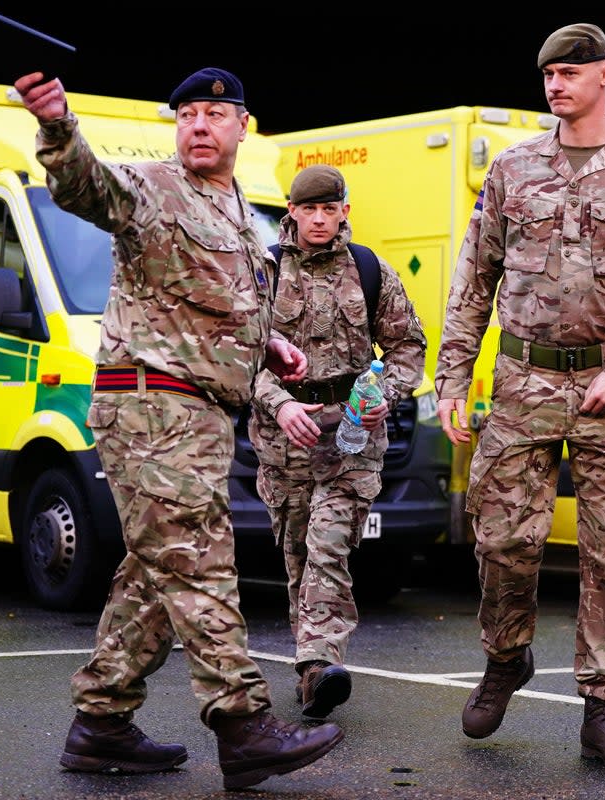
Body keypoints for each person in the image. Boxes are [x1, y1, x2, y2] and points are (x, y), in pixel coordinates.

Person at [14, 66, 344, 790]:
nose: (199, 125)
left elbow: (227, 308)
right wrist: (59, 127)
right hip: (150, 407)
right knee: (197, 559)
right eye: (188, 113)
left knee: (155, 573)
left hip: (198, 413)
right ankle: (243, 723)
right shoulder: (153, 189)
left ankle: (100, 723)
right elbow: (86, 188)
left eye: (214, 115)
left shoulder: (239, 215)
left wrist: (271, 345)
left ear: (242, 128)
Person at [434, 23, 605, 768]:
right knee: (503, 542)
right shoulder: (514, 169)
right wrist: (454, 377)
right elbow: (473, 280)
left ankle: (604, 708)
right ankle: (506, 655)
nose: (556, 84)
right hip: (521, 383)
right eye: (548, 73)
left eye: (572, 71)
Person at [248, 164, 426, 719]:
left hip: (351, 437)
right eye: (310, 210)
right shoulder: (262, 272)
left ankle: (321, 662)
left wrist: (384, 393)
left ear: (345, 211)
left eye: (331, 209)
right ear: (292, 214)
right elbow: (237, 356)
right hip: (285, 438)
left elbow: (408, 348)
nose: (321, 220)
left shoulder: (370, 270)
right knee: (299, 552)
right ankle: (310, 676)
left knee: (329, 543)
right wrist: (280, 405)